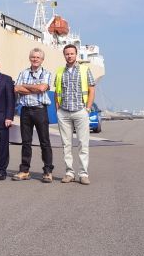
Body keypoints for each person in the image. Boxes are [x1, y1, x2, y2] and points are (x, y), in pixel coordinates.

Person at [54, 44, 96, 185]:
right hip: (64, 112)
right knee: (66, 145)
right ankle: (69, 173)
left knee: (83, 144)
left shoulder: (85, 70)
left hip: (80, 111)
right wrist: (57, 109)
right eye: (67, 54)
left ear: (76, 54)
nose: (69, 56)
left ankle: (83, 174)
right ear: (64, 55)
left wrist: (88, 108)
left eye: (72, 53)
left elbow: (91, 89)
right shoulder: (60, 71)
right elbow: (56, 91)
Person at [14, 48, 54, 183]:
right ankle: (24, 170)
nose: (35, 59)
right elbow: (16, 88)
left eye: (38, 57)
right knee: (26, 142)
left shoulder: (47, 73)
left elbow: (42, 88)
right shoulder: (23, 72)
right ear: (29, 58)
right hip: (25, 110)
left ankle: (48, 171)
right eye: (33, 57)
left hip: (40, 110)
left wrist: (25, 86)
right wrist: (35, 88)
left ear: (42, 60)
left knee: (45, 142)